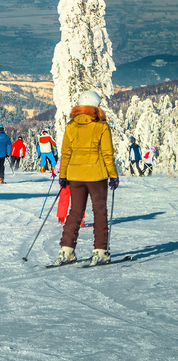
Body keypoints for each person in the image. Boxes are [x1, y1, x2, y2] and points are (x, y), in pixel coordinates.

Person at [54, 90, 119, 267]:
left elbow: (66, 153)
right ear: (96, 106)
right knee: (99, 212)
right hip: (96, 175)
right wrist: (113, 175)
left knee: (75, 212)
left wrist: (63, 176)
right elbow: (107, 153)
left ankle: (66, 251)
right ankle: (100, 252)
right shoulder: (101, 126)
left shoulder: (71, 126)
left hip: (75, 176)